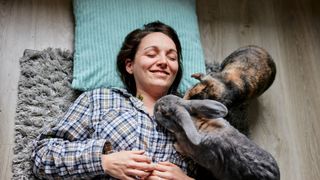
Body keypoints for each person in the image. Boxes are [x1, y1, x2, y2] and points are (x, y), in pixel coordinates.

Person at [32, 21, 196, 180]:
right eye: (151, 54)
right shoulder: (99, 100)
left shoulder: (194, 119)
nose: (163, 62)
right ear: (130, 65)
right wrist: (104, 161)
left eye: (172, 57)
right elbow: (43, 156)